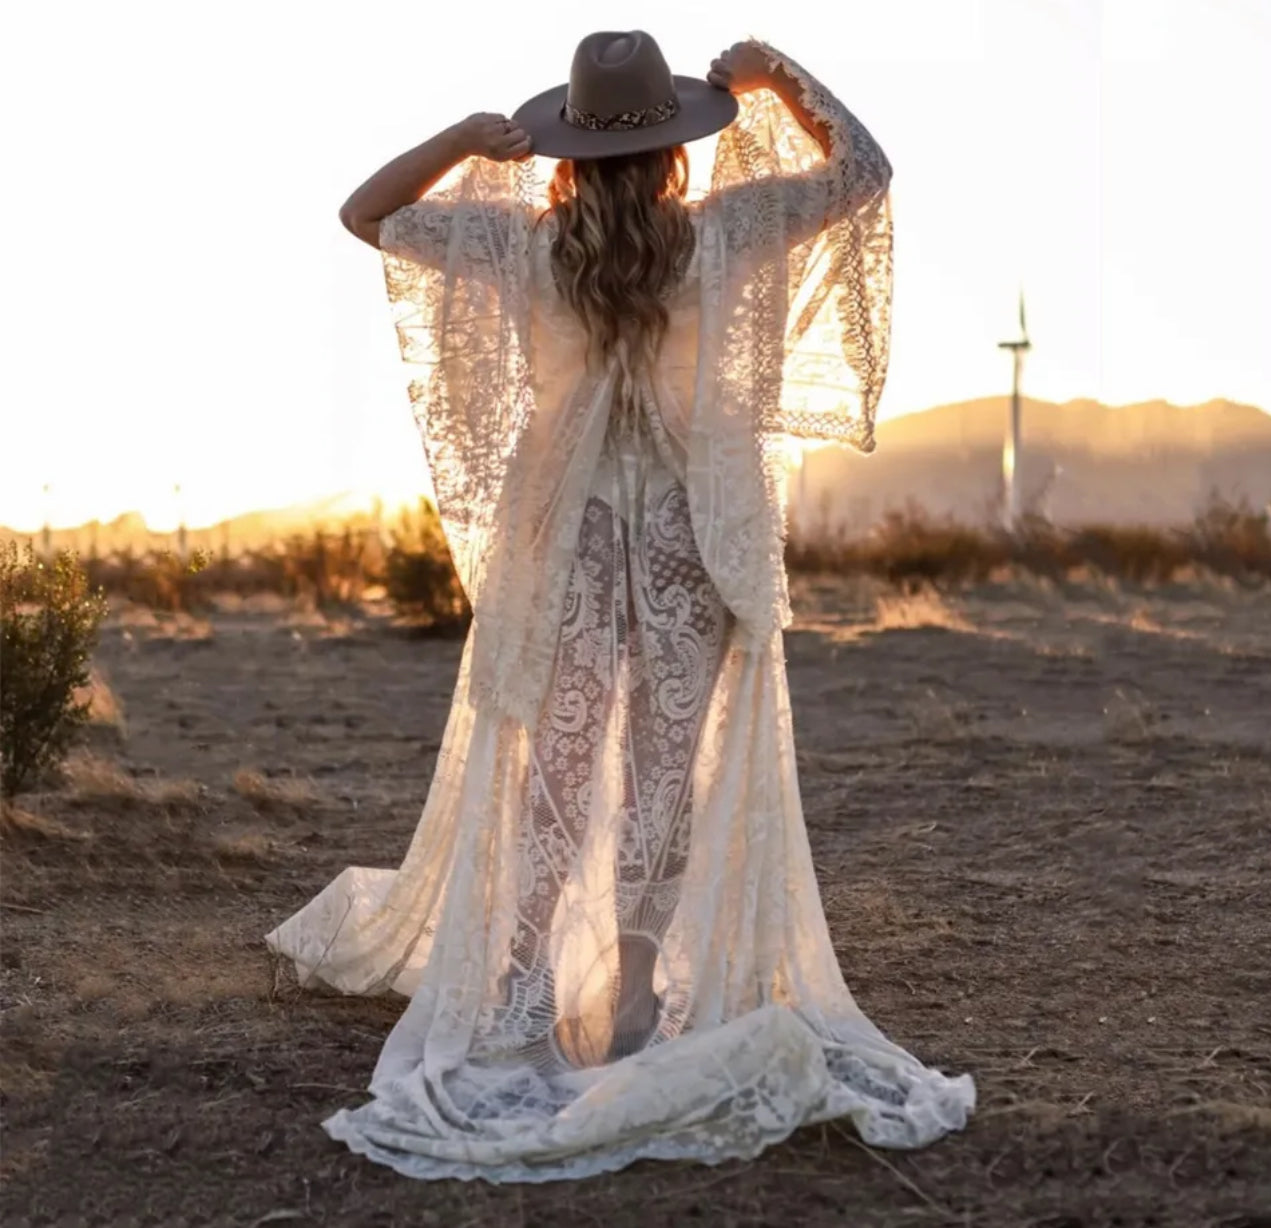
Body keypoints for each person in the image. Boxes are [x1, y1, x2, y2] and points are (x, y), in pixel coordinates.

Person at [265, 31, 976, 1182]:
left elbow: (364, 213)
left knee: (558, 757)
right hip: (697, 538)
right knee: (662, 772)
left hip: (576, 537)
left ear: (564, 150)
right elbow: (865, 172)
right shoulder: (731, 231)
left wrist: (457, 139)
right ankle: (638, 995)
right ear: (674, 150)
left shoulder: (525, 244)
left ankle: (526, 987)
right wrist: (777, 77)